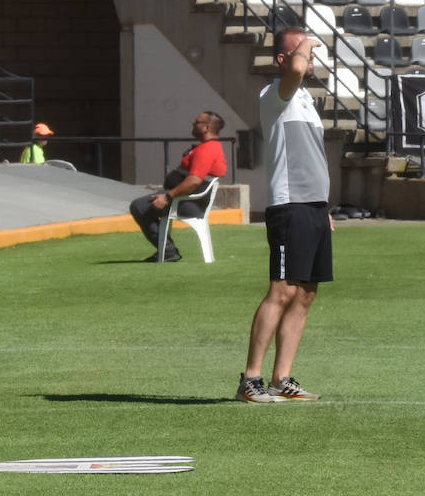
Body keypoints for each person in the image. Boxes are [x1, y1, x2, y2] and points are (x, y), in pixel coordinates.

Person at [238, 27, 332, 404]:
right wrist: (308, 41)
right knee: (282, 290)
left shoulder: (305, 99)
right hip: (289, 206)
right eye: (302, 53)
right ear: (281, 59)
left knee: (305, 294)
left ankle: (282, 378)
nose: (309, 59)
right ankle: (251, 379)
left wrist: (323, 208)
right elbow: (295, 67)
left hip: (313, 207)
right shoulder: (275, 94)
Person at [127, 111, 227, 263]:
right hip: (183, 199)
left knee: (139, 206)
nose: (193, 124)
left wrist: (167, 197)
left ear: (206, 128)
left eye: (196, 122)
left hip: (189, 204)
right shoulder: (207, 147)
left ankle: (168, 251)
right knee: (145, 204)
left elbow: (194, 181)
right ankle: (167, 250)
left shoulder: (207, 150)